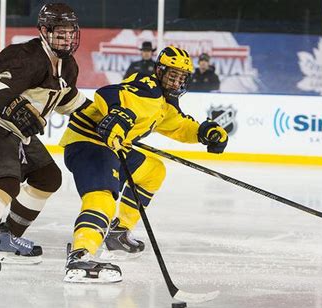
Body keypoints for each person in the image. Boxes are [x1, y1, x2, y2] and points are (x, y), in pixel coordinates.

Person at [60, 45, 228, 283]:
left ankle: (117, 232)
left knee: (153, 170)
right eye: (173, 75)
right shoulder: (147, 89)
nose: (177, 82)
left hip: (115, 147)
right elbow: (107, 93)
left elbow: (179, 125)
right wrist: (118, 115)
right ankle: (81, 254)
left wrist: (204, 132)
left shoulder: (163, 102)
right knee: (102, 196)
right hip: (90, 142)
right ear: (159, 71)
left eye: (182, 77)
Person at [0, 3, 90, 279]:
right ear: (44, 32)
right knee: (5, 182)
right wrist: (12, 105)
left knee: (48, 177)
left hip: (14, 128)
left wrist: (102, 118)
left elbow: (68, 101)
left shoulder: (67, 65)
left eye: (70, 33)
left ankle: (7, 236)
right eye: (60, 34)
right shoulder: (26, 56)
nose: (67, 39)